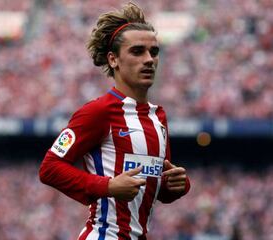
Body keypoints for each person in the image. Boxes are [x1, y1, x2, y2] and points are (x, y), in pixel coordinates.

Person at [39, 2, 190, 239]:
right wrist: (107, 186)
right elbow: (49, 169)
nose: (149, 59)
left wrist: (177, 186)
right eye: (137, 51)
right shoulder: (98, 112)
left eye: (154, 52)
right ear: (113, 60)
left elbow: (153, 188)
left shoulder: (157, 117)